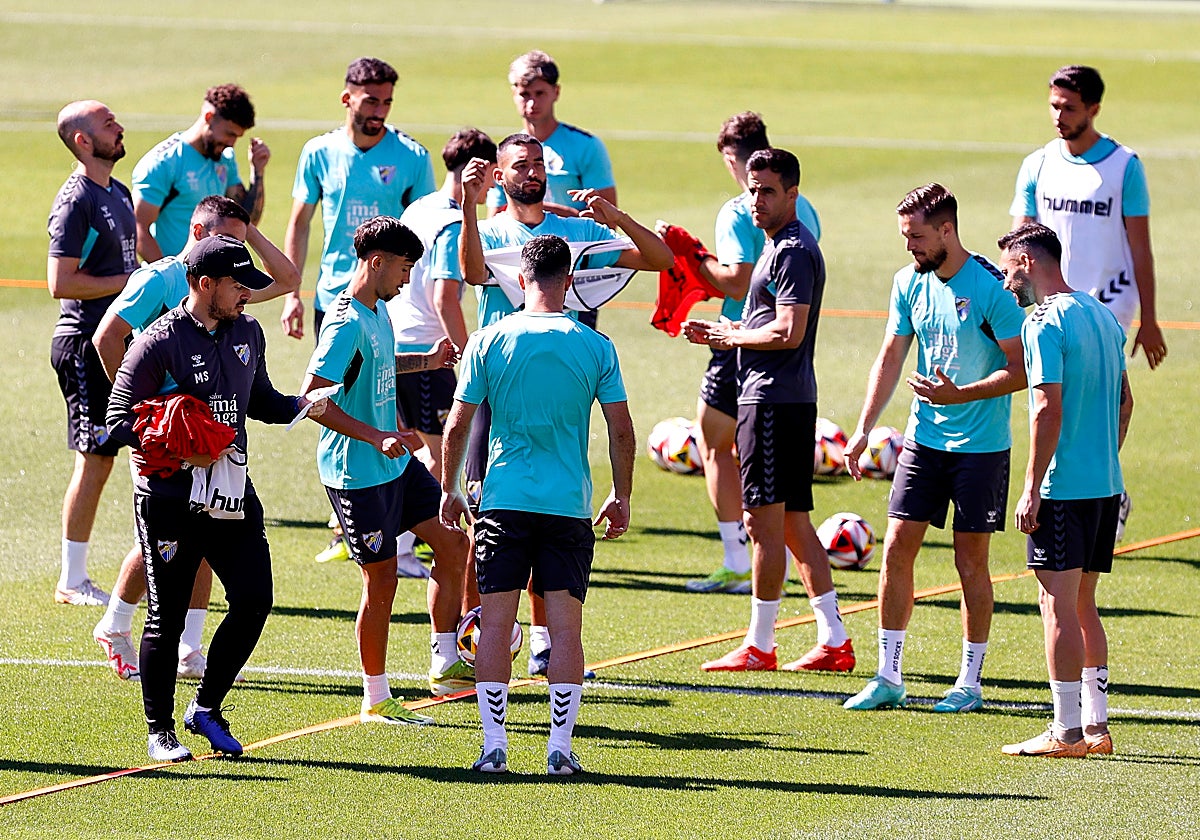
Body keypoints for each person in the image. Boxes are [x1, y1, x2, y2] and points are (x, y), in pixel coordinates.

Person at [106, 235, 325, 761]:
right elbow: (116, 422)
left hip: (231, 490)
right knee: (168, 614)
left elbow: (260, 401)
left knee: (254, 599)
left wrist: (303, 404)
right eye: (237, 284)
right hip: (171, 496)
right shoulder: (158, 342)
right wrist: (181, 445)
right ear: (205, 285)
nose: (247, 293)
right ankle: (160, 732)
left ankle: (205, 707)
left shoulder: (247, 330)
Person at [460, 132, 670, 677]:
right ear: (500, 177)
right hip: (497, 392)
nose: (532, 173)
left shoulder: (578, 231)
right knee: (486, 517)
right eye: (520, 166)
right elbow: (471, 272)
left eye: (538, 165)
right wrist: (467, 205)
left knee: (547, 514)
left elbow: (660, 259)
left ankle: (545, 643)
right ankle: (468, 636)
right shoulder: (487, 230)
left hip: (563, 390)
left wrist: (614, 216)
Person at [440, 234, 634, 775]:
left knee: (496, 624)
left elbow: (457, 423)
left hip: (503, 502)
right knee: (566, 629)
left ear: (520, 280)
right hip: (569, 507)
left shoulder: (487, 339)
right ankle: (560, 750)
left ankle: (494, 746)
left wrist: (450, 488)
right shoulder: (595, 346)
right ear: (570, 283)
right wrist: (622, 495)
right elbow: (621, 428)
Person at [90, 195, 300, 682]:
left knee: (201, 534)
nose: (239, 251)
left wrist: (248, 234)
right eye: (229, 239)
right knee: (167, 535)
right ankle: (121, 622)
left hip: (213, 432)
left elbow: (289, 280)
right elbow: (107, 338)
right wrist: (148, 410)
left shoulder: (231, 281)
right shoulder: (158, 279)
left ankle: (187, 647)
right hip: (164, 433)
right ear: (200, 234)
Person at [841, 184, 1027, 713]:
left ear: (947, 230)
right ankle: (889, 676)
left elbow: (1020, 370)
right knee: (897, 547)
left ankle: (969, 682)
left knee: (970, 561)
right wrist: (863, 428)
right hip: (924, 441)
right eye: (905, 237)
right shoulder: (908, 283)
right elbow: (890, 357)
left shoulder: (992, 289)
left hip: (982, 448)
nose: (910, 249)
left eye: (917, 237)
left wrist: (959, 394)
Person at [682, 148, 852, 674]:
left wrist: (728, 334)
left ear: (793, 194)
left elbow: (788, 330)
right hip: (780, 395)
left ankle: (760, 643)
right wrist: (727, 332)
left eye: (768, 191)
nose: (756, 200)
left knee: (762, 522)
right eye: (752, 190)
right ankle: (834, 639)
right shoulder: (780, 246)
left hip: (773, 398)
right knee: (796, 522)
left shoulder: (793, 251)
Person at [301, 216, 471, 713]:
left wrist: (427, 361)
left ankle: (444, 661)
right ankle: (375, 697)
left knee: (453, 540)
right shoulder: (344, 321)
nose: (407, 278)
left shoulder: (377, 310)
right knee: (383, 581)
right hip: (356, 473)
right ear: (377, 263)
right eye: (403, 268)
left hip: (392, 465)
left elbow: (379, 363)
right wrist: (378, 435)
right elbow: (312, 399)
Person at [667, 111, 822, 595]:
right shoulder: (805, 210)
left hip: (748, 350)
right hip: (779, 358)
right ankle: (826, 623)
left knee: (714, 443)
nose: (752, 193)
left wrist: (692, 258)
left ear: (733, 157)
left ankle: (738, 561)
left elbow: (736, 279)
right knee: (789, 507)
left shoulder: (739, 211)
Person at [997, 223, 1132, 758]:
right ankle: (1096, 729)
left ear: (1028, 261)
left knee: (1056, 606)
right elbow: (1125, 401)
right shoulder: (1102, 315)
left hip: (1063, 489)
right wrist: (1104, 456)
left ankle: (1066, 732)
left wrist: (1031, 486)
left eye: (1009, 270)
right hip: (1103, 485)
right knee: (1083, 605)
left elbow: (1046, 407)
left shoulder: (1043, 323)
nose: (1008, 284)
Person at [386, 128, 496, 579]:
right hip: (431, 351)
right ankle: (404, 546)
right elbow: (444, 298)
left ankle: (400, 543)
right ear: (480, 170)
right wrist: (470, 358)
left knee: (412, 446)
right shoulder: (452, 223)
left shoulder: (419, 207)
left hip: (397, 343)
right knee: (438, 454)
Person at [1011, 65, 1165, 371]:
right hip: (1051, 299)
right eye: (1054, 106)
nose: (1059, 117)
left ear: (1093, 109)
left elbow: (1140, 248)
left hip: (1108, 300)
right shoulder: (1038, 164)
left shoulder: (1124, 167)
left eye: (1069, 108)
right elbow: (1017, 243)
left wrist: (1148, 318)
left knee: (1099, 390)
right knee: (1056, 394)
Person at [47, 100, 139, 607]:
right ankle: (72, 578)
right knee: (95, 458)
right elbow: (60, 282)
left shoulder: (117, 192)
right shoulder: (76, 201)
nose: (119, 127)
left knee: (118, 454)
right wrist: (130, 282)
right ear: (84, 141)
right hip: (85, 343)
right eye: (108, 124)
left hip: (117, 337)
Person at [282, 56, 436, 342]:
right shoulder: (319, 152)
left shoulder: (413, 156)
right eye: (371, 102)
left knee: (384, 386)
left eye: (387, 102)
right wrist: (292, 294)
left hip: (391, 302)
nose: (380, 112)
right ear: (346, 98)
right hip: (333, 297)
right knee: (331, 386)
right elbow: (299, 224)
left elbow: (425, 232)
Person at [487, 50, 618, 330]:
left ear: (556, 92)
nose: (532, 103)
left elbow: (607, 216)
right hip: (516, 271)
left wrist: (552, 213)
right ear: (513, 94)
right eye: (524, 94)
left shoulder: (585, 146)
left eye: (540, 93)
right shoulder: (508, 153)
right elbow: (496, 213)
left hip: (572, 274)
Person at [132, 84, 267, 262]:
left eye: (237, 137)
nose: (232, 143)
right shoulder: (164, 162)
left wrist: (257, 171)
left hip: (214, 279)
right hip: (180, 281)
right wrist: (171, 277)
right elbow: (138, 228)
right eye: (229, 134)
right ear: (209, 117)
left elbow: (246, 221)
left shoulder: (224, 157)